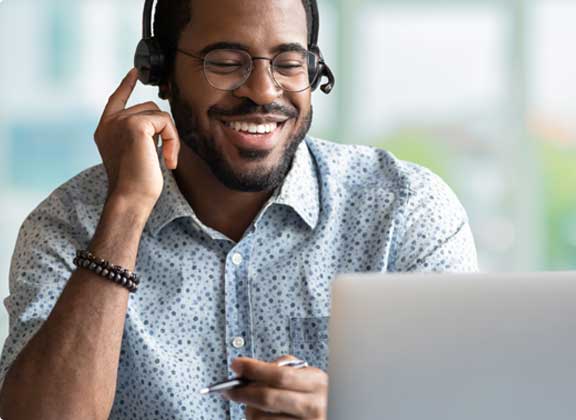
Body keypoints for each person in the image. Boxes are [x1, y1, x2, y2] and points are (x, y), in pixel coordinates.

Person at [0, 0, 478, 418]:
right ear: (161, 73)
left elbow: (471, 403)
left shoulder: (404, 210)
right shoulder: (68, 223)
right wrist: (125, 211)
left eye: (289, 63)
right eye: (226, 63)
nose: (264, 91)